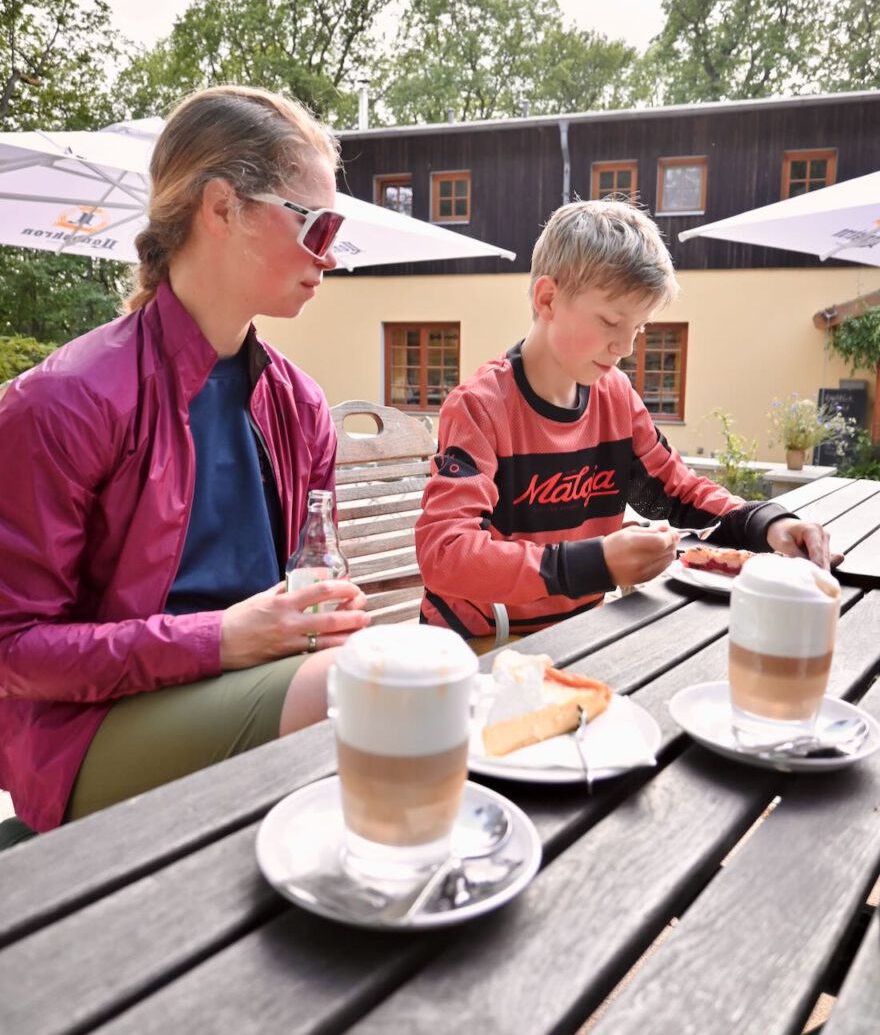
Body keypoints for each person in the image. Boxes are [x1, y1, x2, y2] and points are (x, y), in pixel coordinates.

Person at [0, 85, 370, 838]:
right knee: (354, 692)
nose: (328, 256)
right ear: (221, 207)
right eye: (316, 225)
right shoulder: (65, 402)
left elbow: (305, 576)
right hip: (85, 734)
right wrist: (222, 638)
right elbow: (14, 649)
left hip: (250, 683)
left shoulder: (298, 406)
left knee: (405, 669)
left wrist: (316, 613)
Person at [415, 199, 838, 645]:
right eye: (611, 321)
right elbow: (445, 554)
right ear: (548, 299)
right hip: (476, 645)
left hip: (579, 635)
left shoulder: (615, 395)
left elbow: (679, 492)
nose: (626, 346)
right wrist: (595, 563)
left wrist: (767, 524)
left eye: (639, 328)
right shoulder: (481, 407)